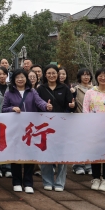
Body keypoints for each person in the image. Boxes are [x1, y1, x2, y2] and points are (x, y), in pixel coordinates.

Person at [2, 69, 51, 193]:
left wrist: (46, 106)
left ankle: (28, 182)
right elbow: (3, 109)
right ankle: (17, 182)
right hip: (15, 129)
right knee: (16, 155)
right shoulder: (9, 93)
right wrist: (12, 109)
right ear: (13, 80)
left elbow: (40, 103)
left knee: (29, 154)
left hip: (30, 129)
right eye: (17, 77)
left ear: (26, 79)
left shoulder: (32, 91)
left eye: (22, 77)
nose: (20, 79)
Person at [36, 64, 75, 192]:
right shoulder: (40, 89)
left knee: (62, 154)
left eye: (54, 73)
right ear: (45, 75)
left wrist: (72, 105)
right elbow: (36, 105)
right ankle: (47, 181)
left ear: (58, 74)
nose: (51, 75)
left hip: (61, 125)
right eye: (49, 73)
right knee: (46, 152)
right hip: (45, 126)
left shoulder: (64, 88)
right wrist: (45, 107)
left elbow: (71, 105)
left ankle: (60, 182)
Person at [72, 68, 94, 175]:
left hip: (92, 121)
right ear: (79, 77)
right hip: (79, 120)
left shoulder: (95, 89)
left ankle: (89, 165)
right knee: (79, 143)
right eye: (84, 75)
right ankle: (78, 165)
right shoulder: (75, 89)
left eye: (88, 75)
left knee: (90, 143)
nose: (86, 77)